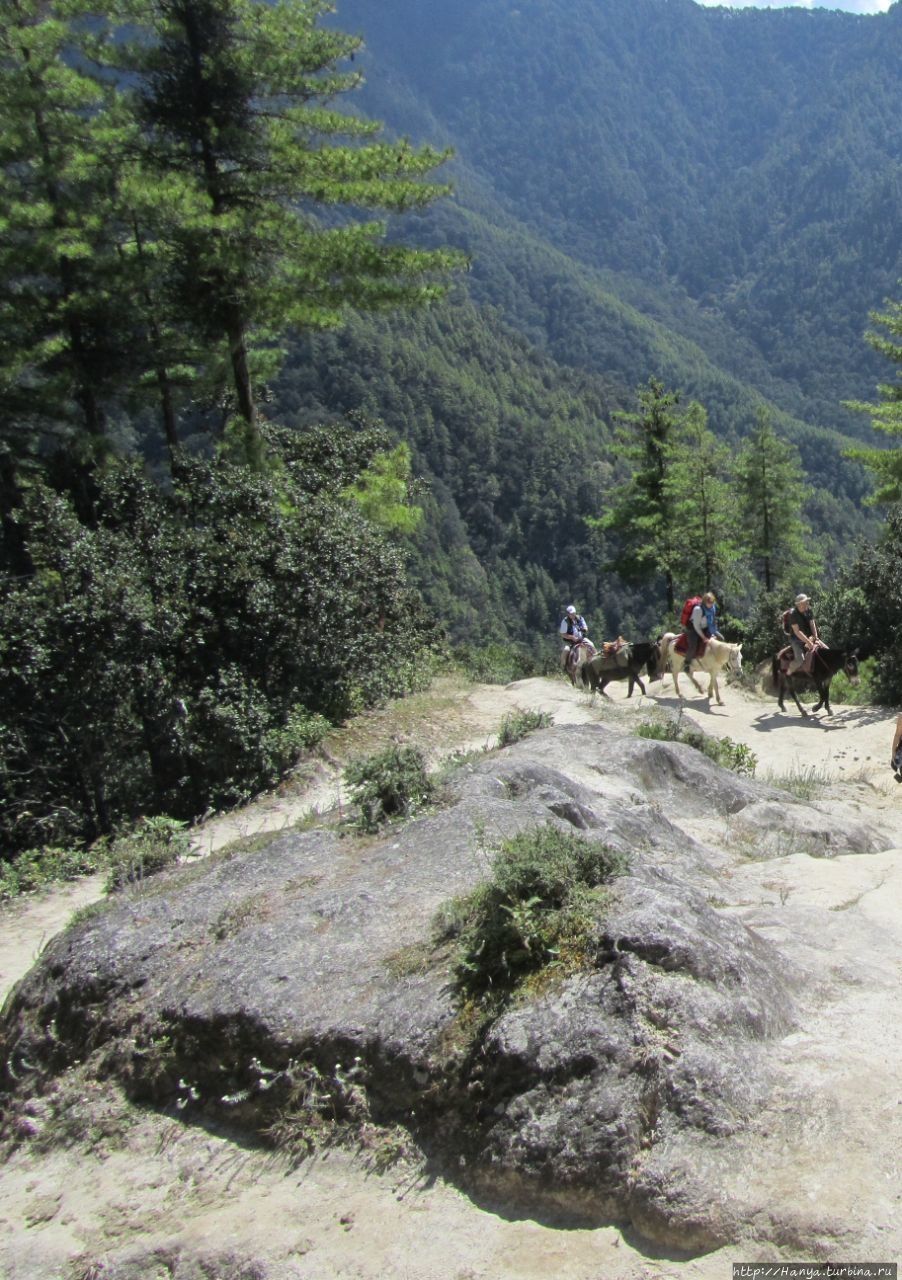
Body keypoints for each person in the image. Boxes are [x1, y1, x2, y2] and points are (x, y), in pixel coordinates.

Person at [787, 593, 820, 674]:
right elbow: (797, 632)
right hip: (796, 639)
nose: (807, 604)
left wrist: (815, 637)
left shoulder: (809, 610)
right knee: (800, 660)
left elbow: (812, 624)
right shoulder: (793, 615)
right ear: (799, 604)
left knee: (825, 649)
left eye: (807, 602)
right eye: (805, 602)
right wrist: (808, 642)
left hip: (809, 637)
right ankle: (788, 672)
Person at [559, 605, 596, 671]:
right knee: (566, 650)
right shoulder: (565, 621)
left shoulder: (580, 618)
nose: (573, 615)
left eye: (574, 613)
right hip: (569, 641)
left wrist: (584, 629)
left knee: (591, 644)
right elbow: (563, 634)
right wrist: (572, 637)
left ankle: (595, 660)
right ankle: (563, 666)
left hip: (580, 639)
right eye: (571, 614)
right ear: (568, 614)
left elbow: (586, 627)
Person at [682, 596, 708, 666]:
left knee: (720, 638)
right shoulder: (698, 610)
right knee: (693, 646)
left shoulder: (711, 608)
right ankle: (686, 663)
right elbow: (696, 626)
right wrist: (703, 637)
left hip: (704, 627)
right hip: (692, 628)